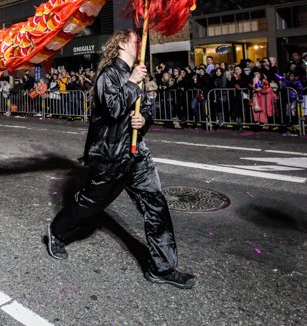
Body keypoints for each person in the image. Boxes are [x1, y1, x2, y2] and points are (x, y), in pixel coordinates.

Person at [46, 29, 196, 289]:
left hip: (138, 157)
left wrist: (144, 120)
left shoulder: (138, 75)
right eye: (136, 39)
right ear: (123, 43)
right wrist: (132, 82)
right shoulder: (109, 75)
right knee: (89, 204)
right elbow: (113, 109)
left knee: (156, 206)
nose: (140, 42)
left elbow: (147, 109)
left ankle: (162, 267)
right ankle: (56, 232)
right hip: (111, 158)